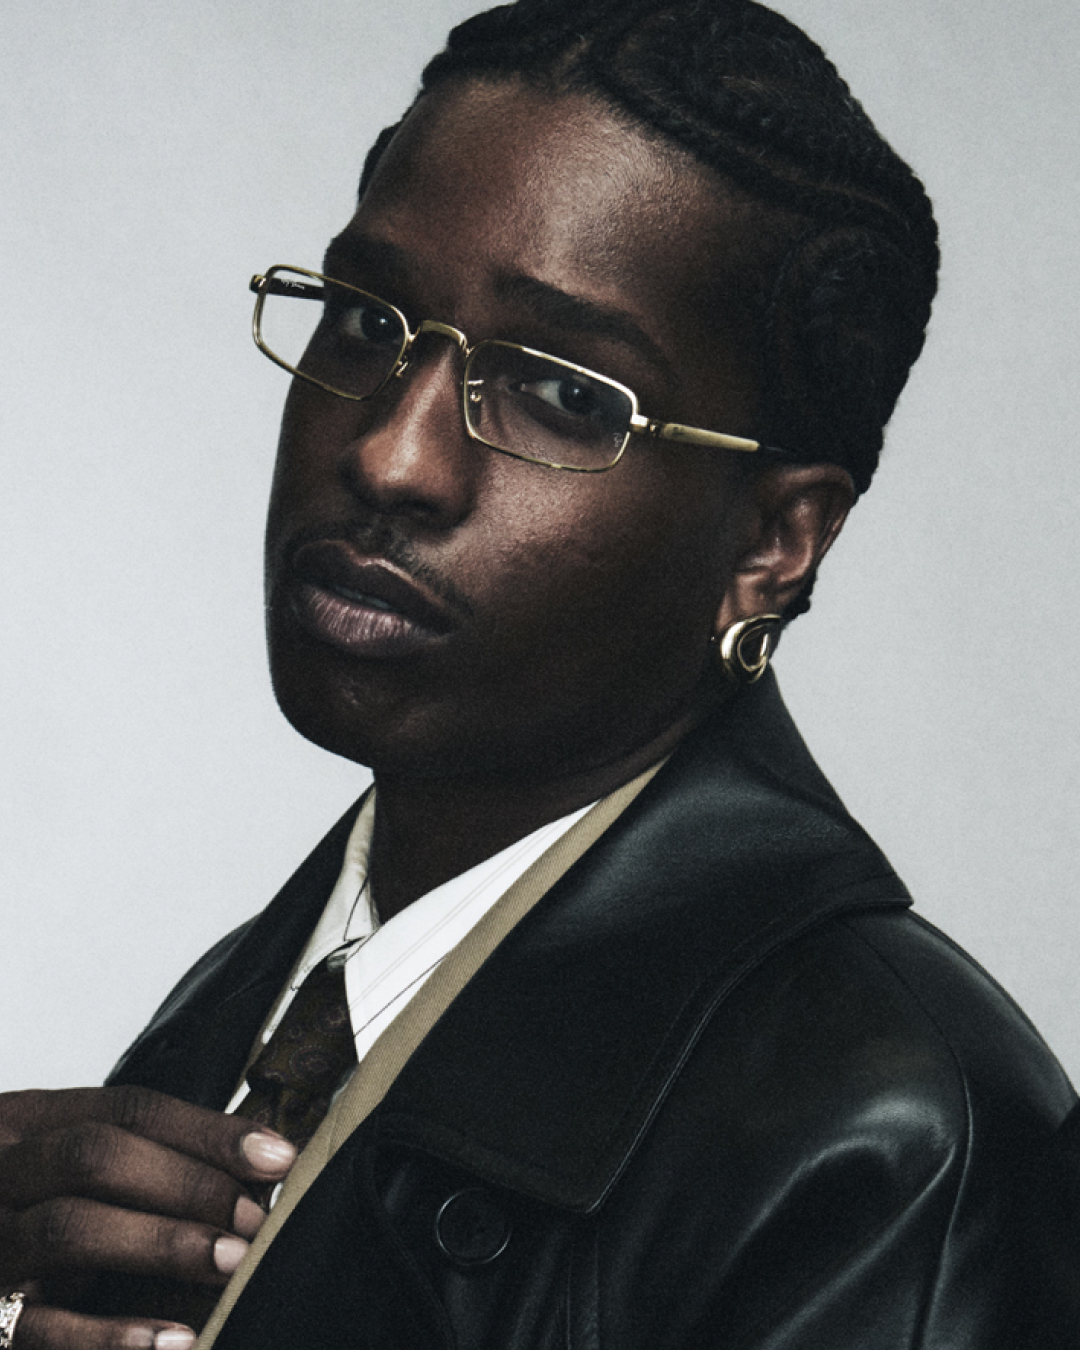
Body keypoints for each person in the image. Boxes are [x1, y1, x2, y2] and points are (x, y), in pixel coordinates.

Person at [2, 0, 1077, 1346]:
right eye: (366, 318)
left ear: (773, 542)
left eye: (564, 394)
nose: (391, 456)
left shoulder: (899, 1143)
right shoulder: (274, 998)